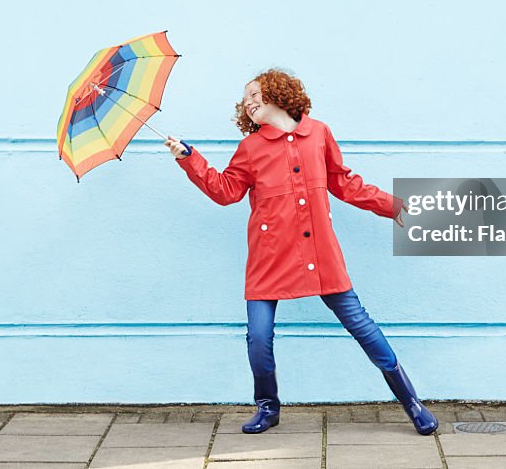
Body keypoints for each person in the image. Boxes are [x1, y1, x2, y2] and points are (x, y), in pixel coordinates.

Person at [165, 68, 438, 435]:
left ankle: (411, 401)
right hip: (269, 255)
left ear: (278, 93)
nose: (248, 102)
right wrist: (189, 157)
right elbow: (225, 190)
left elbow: (343, 182)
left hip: (319, 253)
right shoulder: (251, 148)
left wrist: (389, 205)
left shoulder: (318, 134)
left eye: (254, 93)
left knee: (362, 325)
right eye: (244, 99)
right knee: (258, 336)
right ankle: (267, 407)